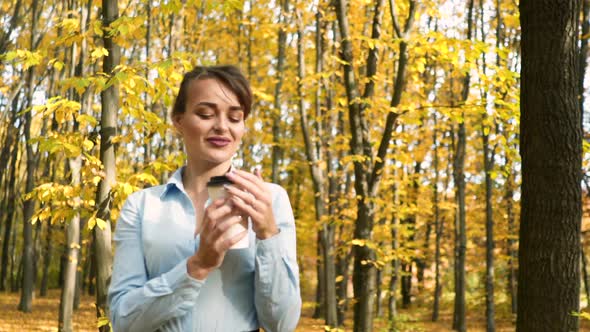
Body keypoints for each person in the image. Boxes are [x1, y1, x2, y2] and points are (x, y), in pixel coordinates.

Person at [108, 65, 301, 332]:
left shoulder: (270, 199)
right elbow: (123, 322)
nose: (222, 126)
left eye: (235, 118)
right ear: (179, 120)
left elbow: (281, 324)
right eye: (205, 114)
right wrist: (198, 265)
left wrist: (268, 232)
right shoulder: (141, 207)